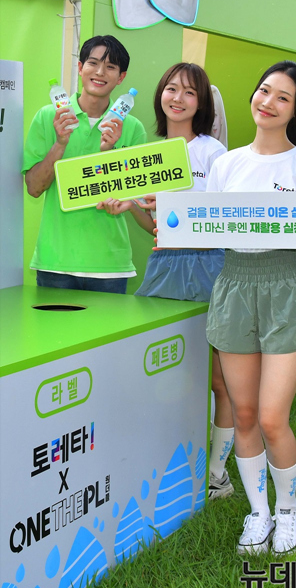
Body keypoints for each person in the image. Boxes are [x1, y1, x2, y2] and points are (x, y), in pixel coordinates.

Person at [205, 61, 296, 556]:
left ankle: (290, 510)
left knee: (271, 417)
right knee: (244, 412)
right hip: (234, 287)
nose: (268, 102)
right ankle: (259, 512)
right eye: (264, 90)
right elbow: (204, 226)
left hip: (286, 288)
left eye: (282, 97)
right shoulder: (225, 164)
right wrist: (165, 221)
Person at [99, 62, 236, 500]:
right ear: (161, 94)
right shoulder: (150, 153)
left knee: (219, 378)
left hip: (209, 265)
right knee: (162, 369)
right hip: (163, 265)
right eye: (172, 89)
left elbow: (222, 220)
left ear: (202, 103)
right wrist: (131, 207)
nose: (178, 98)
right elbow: (153, 225)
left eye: (189, 92)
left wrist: (176, 209)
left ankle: (217, 474)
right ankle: (163, 460)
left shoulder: (213, 153)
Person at [22, 35, 146, 294]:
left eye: (110, 67)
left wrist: (109, 153)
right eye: (93, 63)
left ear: (121, 77)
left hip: (110, 265)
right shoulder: (49, 116)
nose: (100, 72)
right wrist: (60, 144)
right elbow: (33, 188)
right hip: (56, 263)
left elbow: (133, 196)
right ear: (80, 68)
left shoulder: (132, 127)